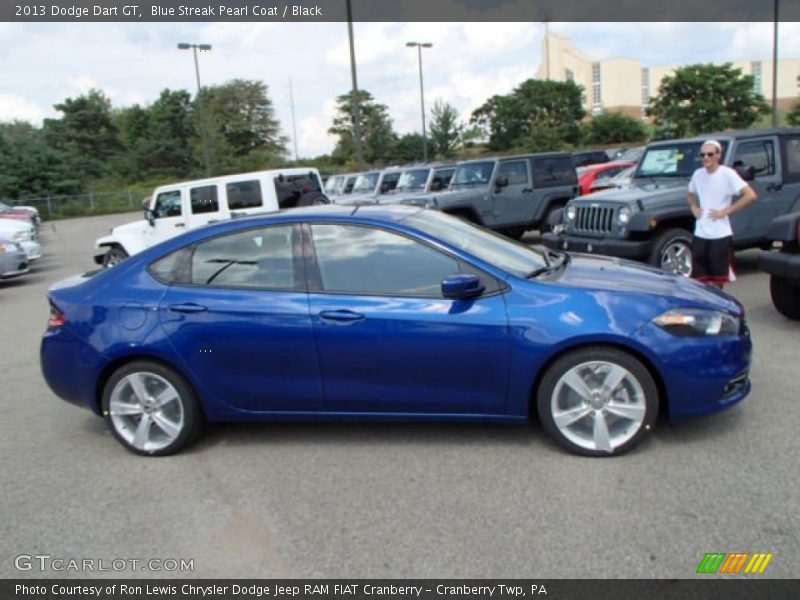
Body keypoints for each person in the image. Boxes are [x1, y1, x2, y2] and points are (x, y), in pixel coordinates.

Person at [687, 140, 757, 288]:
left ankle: (717, 299)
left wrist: (725, 211)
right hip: (701, 232)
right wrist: (694, 207)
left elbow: (750, 195)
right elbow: (690, 193)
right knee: (700, 276)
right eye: (703, 155)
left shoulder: (727, 174)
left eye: (710, 154)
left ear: (718, 155)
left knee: (718, 276)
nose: (706, 158)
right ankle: (704, 299)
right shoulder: (698, 174)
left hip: (720, 234)